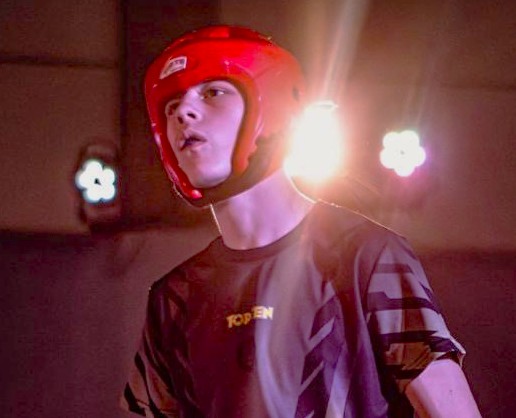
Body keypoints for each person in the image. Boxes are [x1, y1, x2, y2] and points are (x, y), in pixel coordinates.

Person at [121, 25, 481, 417]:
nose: (183, 113)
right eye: (171, 106)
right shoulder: (174, 299)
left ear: (271, 105)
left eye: (213, 92)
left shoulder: (366, 256)